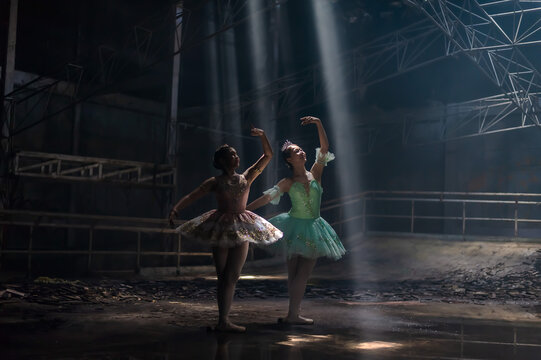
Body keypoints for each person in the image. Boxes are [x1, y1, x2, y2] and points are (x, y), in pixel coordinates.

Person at [169, 127, 283, 332]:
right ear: (222, 161)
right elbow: (193, 195)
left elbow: (268, 155)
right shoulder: (215, 182)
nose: (236, 157)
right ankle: (223, 320)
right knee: (222, 276)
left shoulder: (247, 176)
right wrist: (176, 208)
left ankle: (224, 320)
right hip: (220, 225)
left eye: (236, 154)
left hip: (242, 225)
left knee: (232, 275)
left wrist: (264, 136)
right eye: (232, 155)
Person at [247, 116, 345, 325]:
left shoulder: (316, 173)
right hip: (294, 225)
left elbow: (325, 148)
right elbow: (266, 198)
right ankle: (293, 315)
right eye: (296, 151)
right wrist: (244, 209)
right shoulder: (288, 182)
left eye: (301, 150)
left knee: (300, 273)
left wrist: (319, 123)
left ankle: (293, 313)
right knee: (296, 274)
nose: (301, 152)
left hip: (314, 226)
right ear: (289, 160)